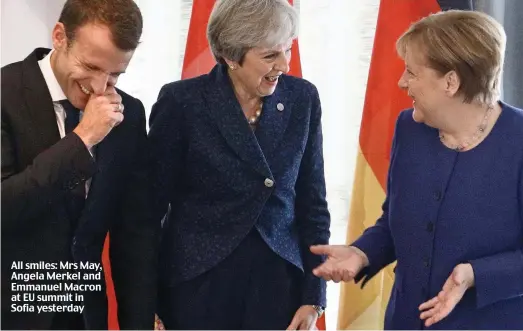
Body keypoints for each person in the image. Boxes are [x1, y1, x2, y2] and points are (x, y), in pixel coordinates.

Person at [311, 9, 523, 330]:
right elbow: (395, 222)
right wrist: (362, 253)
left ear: (450, 82)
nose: (401, 82)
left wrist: (474, 275)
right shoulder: (409, 129)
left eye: (411, 72)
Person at [151, 0, 330, 329]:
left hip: (279, 286)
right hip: (199, 286)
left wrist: (314, 295)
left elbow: (312, 202)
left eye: (287, 49)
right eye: (270, 55)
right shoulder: (183, 103)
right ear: (232, 56)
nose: (285, 65)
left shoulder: (302, 99)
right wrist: (148, 303)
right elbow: (149, 211)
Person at [1, 0, 158, 329]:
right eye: (91, 66)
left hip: (86, 318)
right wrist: (82, 139)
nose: (101, 88)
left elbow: (135, 236)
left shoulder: (128, 116)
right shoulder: (5, 93)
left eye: (115, 74)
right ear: (59, 36)